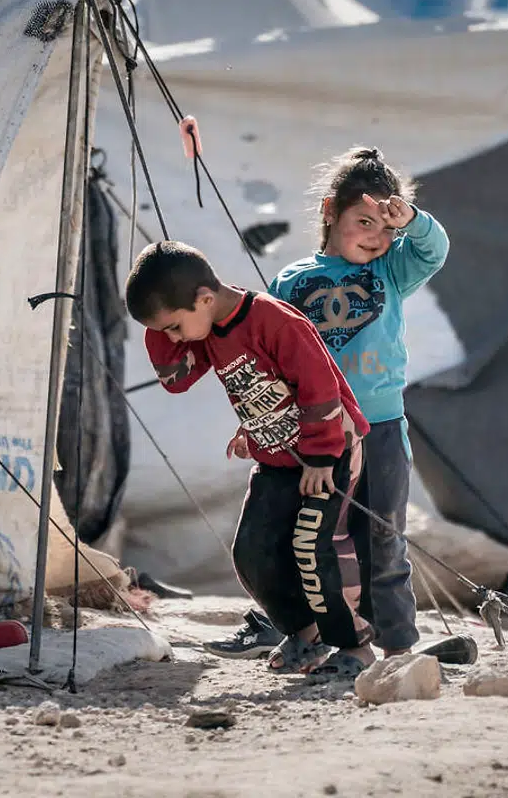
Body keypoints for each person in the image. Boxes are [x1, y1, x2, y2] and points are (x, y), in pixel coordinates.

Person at [209, 146, 453, 661]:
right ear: (328, 211)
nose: (376, 236)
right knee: (300, 541)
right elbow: (269, 360)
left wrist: (412, 221)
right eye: (363, 220)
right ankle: (313, 634)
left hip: (381, 428)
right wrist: (255, 422)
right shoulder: (290, 281)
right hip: (312, 432)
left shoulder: (390, 271)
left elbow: (435, 250)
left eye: (387, 227)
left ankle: (397, 650)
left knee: (380, 539)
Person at [126, 239, 377, 681]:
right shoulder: (208, 326)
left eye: (174, 326)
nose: (173, 338)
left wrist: (321, 455)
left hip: (328, 450)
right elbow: (176, 379)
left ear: (204, 299)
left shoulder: (273, 320)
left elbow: (318, 386)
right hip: (275, 457)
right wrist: (254, 426)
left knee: (310, 548)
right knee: (251, 552)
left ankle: (355, 647)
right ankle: (305, 632)